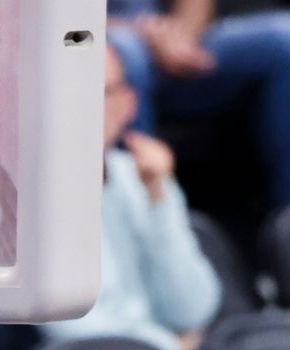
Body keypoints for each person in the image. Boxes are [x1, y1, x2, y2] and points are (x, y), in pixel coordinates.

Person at [43, 42, 222, 350]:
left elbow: (193, 309)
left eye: (100, 92)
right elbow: (68, 327)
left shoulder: (142, 174)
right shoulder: (30, 195)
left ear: (129, 103)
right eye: (73, 92)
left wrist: (158, 198)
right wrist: (170, 346)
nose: (85, 107)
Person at [109, 0, 290, 207]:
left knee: (283, 39)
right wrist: (144, 33)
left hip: (171, 43)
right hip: (99, 42)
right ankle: (138, 211)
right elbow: (77, 20)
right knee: (126, 50)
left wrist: (180, 37)